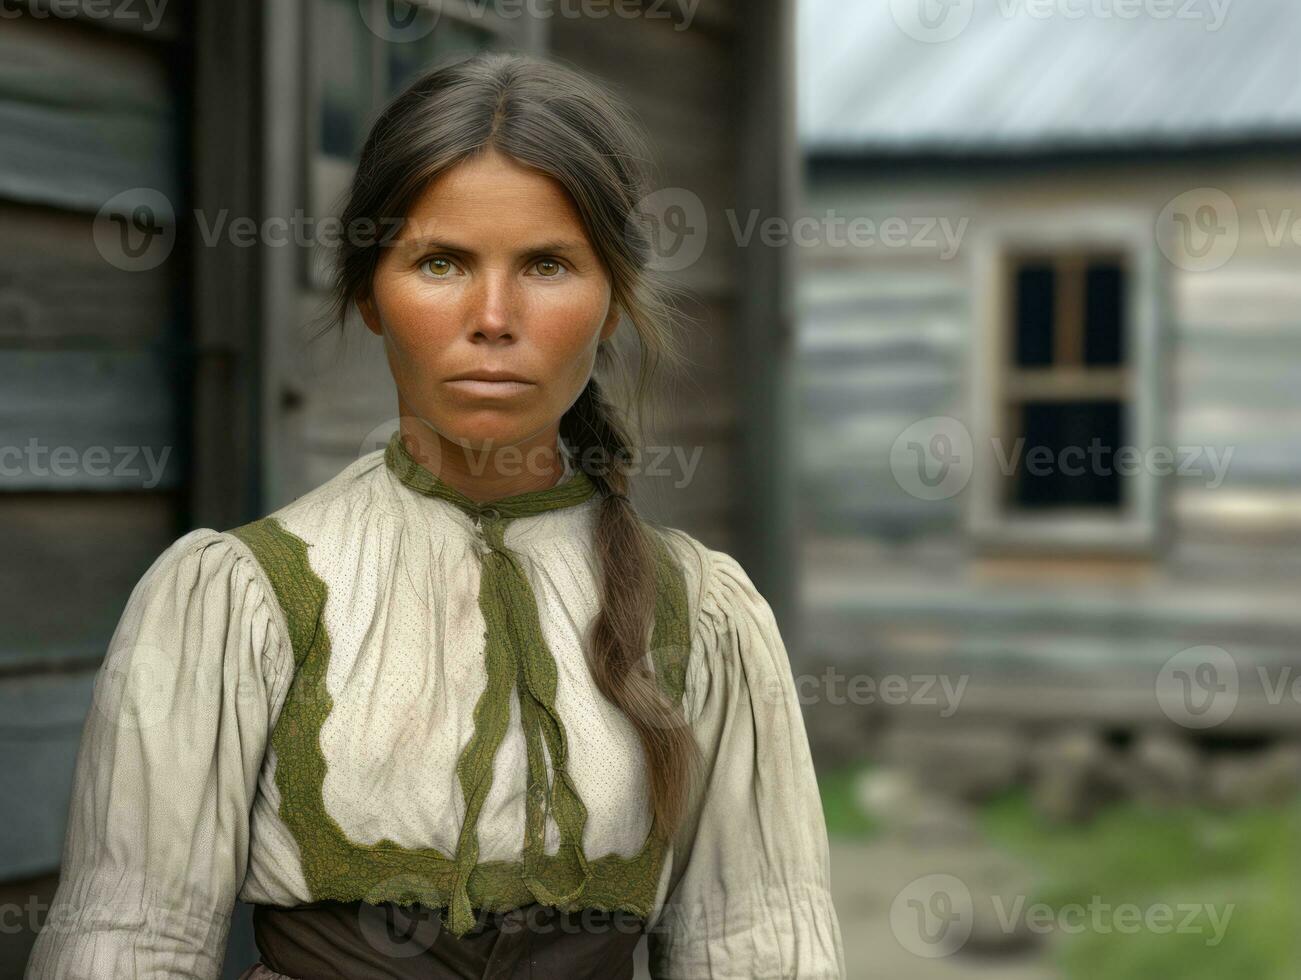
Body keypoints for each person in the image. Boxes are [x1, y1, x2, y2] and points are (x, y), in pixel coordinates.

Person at [24, 51, 846, 979]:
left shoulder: (701, 616)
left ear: (610, 302)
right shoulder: (240, 599)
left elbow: (761, 947)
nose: (492, 317)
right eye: (441, 261)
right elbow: (128, 945)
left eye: (545, 264)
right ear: (369, 295)